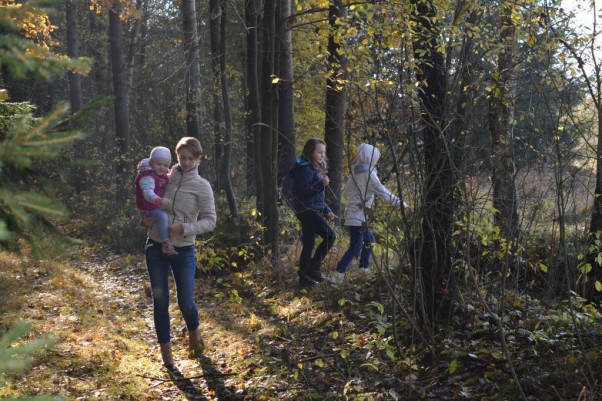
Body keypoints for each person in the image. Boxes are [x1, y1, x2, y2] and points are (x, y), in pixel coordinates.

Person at [143, 137, 216, 368]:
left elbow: (210, 221)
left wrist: (184, 228)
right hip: (155, 245)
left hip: (183, 250)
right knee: (160, 300)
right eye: (181, 157)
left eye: (190, 158)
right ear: (176, 157)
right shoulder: (165, 176)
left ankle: (194, 335)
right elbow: (146, 196)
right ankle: (167, 357)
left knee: (185, 302)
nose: (185, 162)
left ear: (199, 160)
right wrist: (144, 219)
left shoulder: (202, 186)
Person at [330, 143, 408, 285]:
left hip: (354, 215)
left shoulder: (354, 172)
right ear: (371, 157)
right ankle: (338, 274)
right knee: (355, 247)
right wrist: (402, 204)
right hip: (358, 217)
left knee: (370, 241)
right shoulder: (369, 174)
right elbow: (383, 192)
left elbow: (346, 194)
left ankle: (363, 268)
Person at [288, 138, 336, 288]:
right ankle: (314, 269)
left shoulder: (313, 168)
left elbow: (317, 197)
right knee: (330, 235)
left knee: (309, 244)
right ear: (310, 152)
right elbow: (301, 193)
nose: (322, 155)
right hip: (306, 210)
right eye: (319, 152)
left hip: (312, 209)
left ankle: (304, 277)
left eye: (323, 152)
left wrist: (327, 210)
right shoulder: (305, 169)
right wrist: (320, 184)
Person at [135, 146, 178, 256]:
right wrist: (159, 200)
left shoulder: (161, 175)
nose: (162, 168)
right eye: (158, 164)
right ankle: (166, 243)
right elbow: (148, 194)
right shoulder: (147, 177)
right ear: (151, 163)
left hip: (153, 206)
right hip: (148, 207)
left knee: (163, 216)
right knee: (162, 216)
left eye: (165, 165)